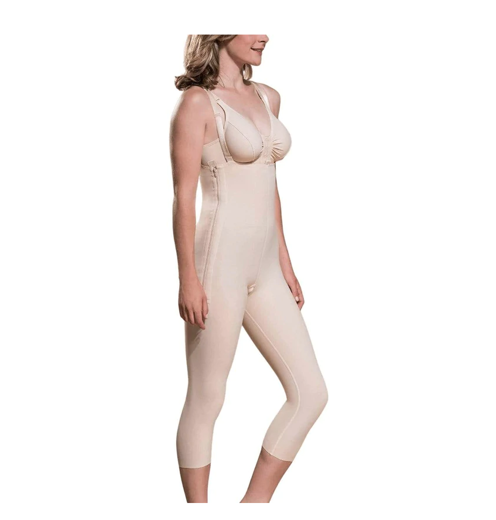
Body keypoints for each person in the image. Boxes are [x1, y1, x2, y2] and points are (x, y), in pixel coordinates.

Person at [169, 35, 328, 503]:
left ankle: (252, 506)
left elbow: (269, 183)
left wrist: (286, 262)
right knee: (207, 396)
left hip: (266, 267)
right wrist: (187, 278)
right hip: (216, 265)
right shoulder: (197, 104)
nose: (264, 35)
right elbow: (182, 197)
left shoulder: (268, 97)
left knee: (311, 393)